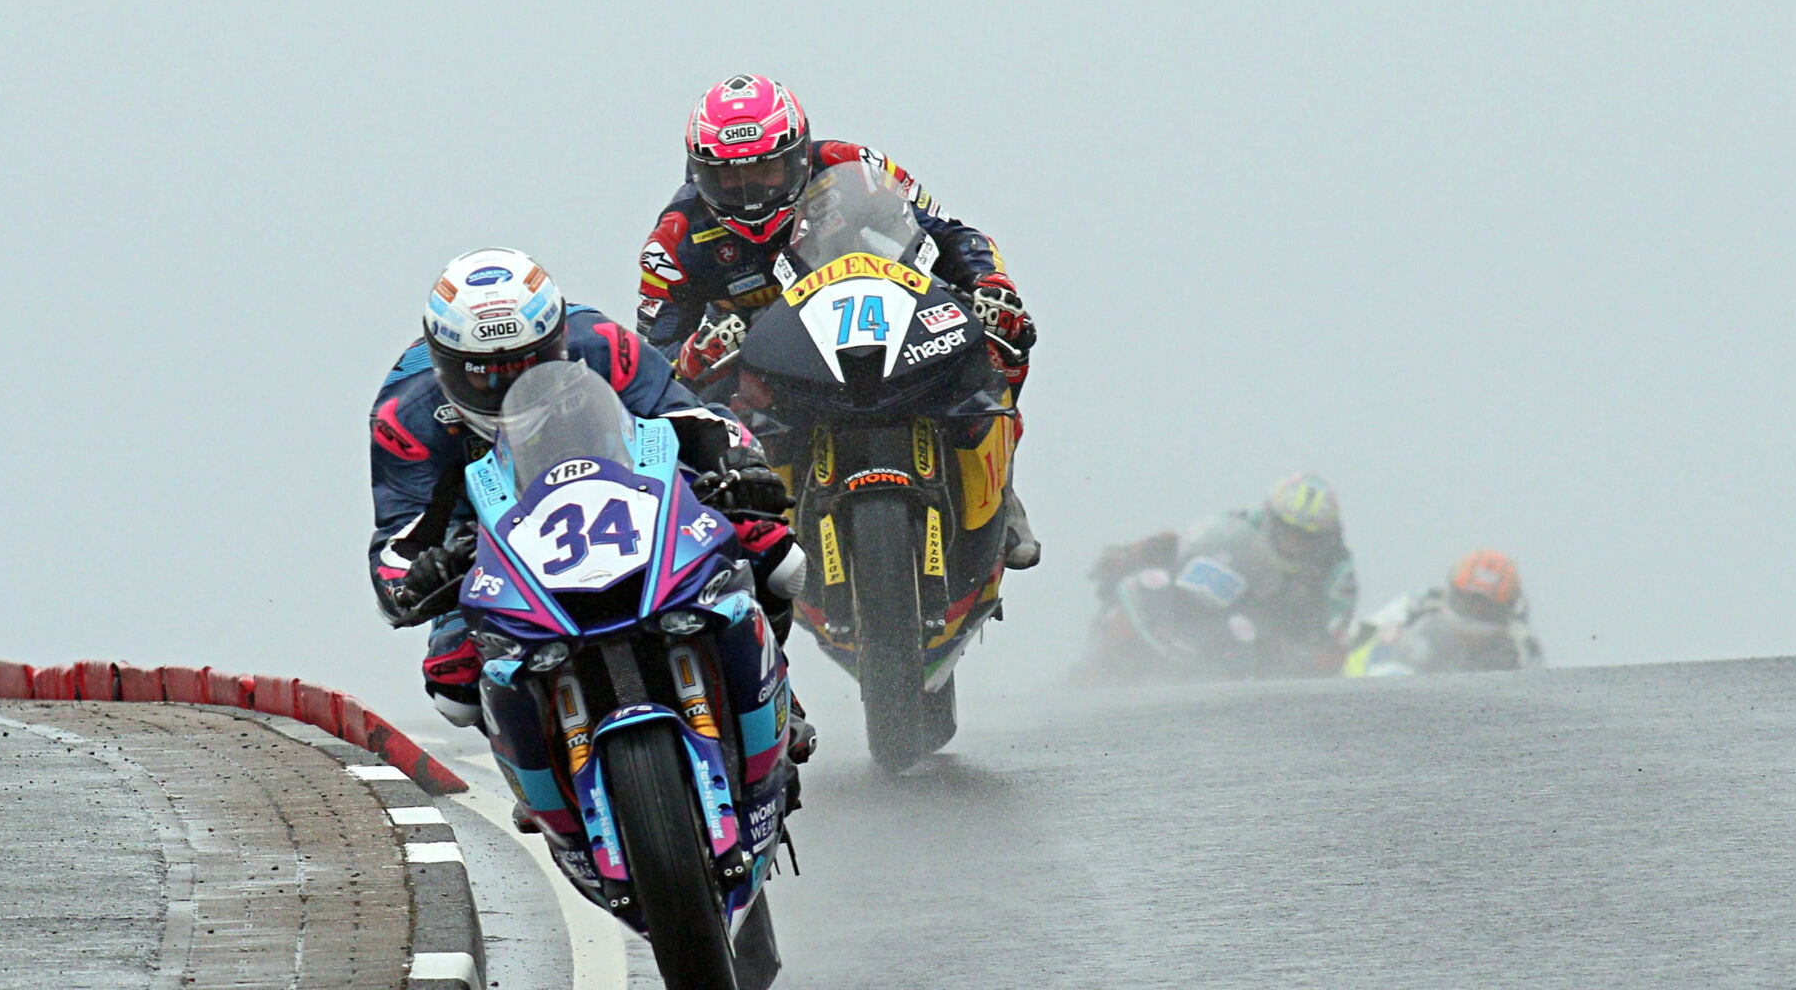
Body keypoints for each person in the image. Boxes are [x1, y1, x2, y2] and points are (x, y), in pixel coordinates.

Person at [369, 247, 814, 760]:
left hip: (628, 493)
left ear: (556, 342)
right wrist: (420, 576)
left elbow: (689, 418)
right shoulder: (407, 418)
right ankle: (545, 773)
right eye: (485, 375)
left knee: (775, 552)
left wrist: (740, 465)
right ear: (447, 366)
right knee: (455, 687)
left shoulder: (602, 345)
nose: (511, 386)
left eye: (529, 365)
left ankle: (774, 684)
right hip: (489, 539)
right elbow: (397, 542)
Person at [633, 73, 1042, 569]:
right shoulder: (674, 239)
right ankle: (745, 541)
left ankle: (1000, 484)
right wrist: (696, 354)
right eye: (730, 179)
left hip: (879, 316)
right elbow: (650, 364)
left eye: (768, 171)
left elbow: (950, 232)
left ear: (800, 153)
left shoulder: (857, 166)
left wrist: (989, 283)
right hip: (770, 364)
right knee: (691, 429)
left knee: (1001, 338)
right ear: (699, 174)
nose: (752, 192)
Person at [1084, 473, 1360, 679]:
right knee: (1145, 588)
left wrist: (1298, 657)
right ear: (1270, 519)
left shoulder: (1339, 575)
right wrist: (1137, 552)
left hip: (1271, 639)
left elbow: (1334, 650)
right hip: (1215, 608)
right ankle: (1089, 673)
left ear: (1326, 536)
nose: (1294, 543)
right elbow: (1189, 538)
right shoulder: (1245, 521)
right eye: (1287, 531)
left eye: (1305, 537)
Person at [1344, 549, 1545, 675]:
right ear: (1452, 590)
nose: (1473, 614)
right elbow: (1366, 629)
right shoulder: (1421, 602)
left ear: (1508, 608)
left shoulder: (1523, 644)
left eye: (1485, 608)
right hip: (1396, 685)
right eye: (1467, 601)